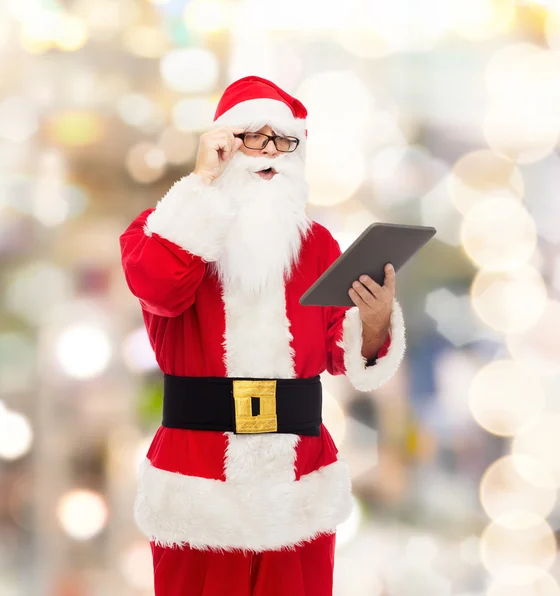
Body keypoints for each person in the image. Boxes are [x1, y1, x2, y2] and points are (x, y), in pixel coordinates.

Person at [119, 75, 406, 596]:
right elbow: (158, 287)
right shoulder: (167, 230)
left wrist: (376, 320)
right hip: (199, 484)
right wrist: (202, 188)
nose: (269, 151)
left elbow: (343, 355)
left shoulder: (317, 245)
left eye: (283, 140)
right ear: (222, 144)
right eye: (255, 137)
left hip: (297, 481)